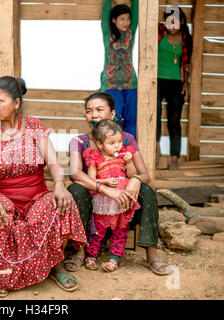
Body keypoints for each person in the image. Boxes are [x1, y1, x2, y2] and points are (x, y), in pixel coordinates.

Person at [0, 76, 87, 298]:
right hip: (3, 199)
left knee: (57, 201)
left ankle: (53, 265)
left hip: (35, 197)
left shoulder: (35, 127)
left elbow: (55, 164)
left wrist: (59, 184)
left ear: (17, 103)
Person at [64, 91, 170, 276]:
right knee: (75, 189)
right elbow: (74, 173)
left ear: (113, 114)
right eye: (89, 111)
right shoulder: (79, 141)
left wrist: (135, 181)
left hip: (123, 205)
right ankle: (79, 251)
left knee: (147, 190)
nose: (94, 114)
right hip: (92, 206)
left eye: (99, 109)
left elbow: (145, 174)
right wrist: (103, 188)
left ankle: (151, 253)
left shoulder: (126, 139)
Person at [83, 119, 140, 272]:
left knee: (121, 230)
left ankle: (114, 258)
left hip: (123, 200)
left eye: (120, 141)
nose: (118, 145)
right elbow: (91, 180)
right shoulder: (95, 158)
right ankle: (91, 255)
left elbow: (133, 175)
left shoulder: (123, 156)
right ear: (100, 144)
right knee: (98, 231)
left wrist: (129, 163)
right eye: (112, 142)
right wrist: (106, 182)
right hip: (104, 200)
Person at [156, 6, 193, 169]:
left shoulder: (186, 38)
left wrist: (186, 83)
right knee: (154, 114)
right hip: (156, 80)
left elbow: (187, 64)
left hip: (177, 82)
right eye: (168, 21)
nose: (171, 25)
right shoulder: (158, 32)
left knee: (174, 119)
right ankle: (155, 149)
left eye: (175, 22)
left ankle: (174, 158)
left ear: (182, 21)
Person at [100, 0, 139, 137]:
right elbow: (105, 11)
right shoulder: (107, 33)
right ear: (114, 20)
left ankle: (129, 153)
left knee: (132, 120)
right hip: (111, 84)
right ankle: (111, 154)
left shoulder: (131, 33)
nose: (126, 22)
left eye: (128, 19)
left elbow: (136, 9)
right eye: (122, 19)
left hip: (131, 84)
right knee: (113, 121)